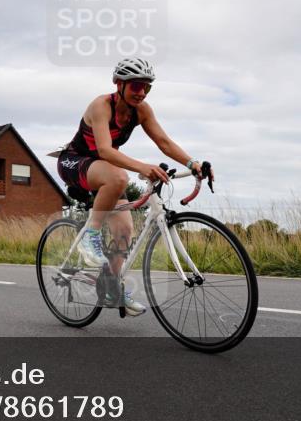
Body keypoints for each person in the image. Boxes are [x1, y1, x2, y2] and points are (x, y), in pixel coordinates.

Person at [56, 57, 213, 316]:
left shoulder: (142, 111)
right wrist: (141, 167)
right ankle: (90, 237)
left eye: (147, 87)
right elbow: (104, 150)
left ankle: (111, 288)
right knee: (119, 178)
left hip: (104, 168)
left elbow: (163, 141)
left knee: (125, 229)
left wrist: (192, 162)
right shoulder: (101, 105)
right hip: (75, 161)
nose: (141, 92)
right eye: (136, 86)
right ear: (119, 84)